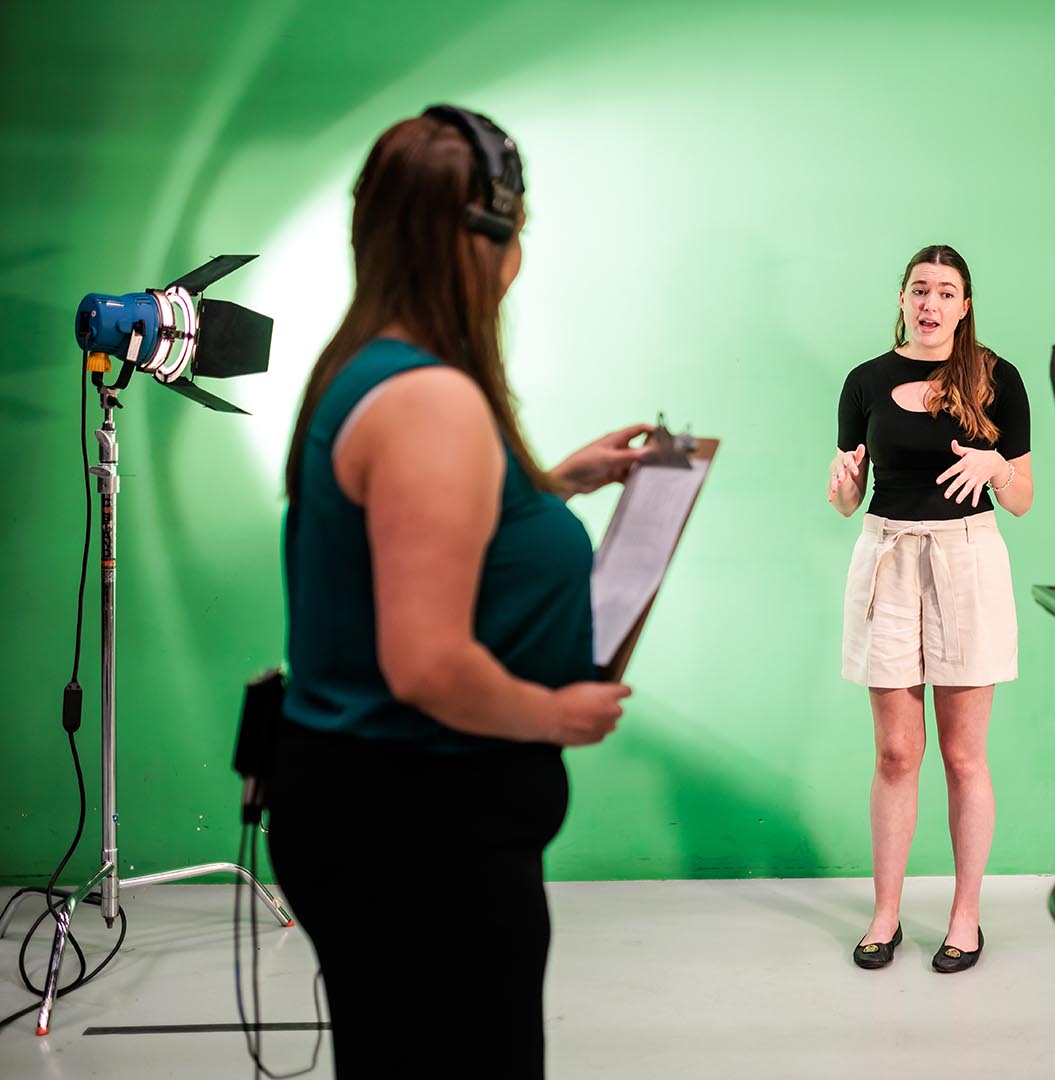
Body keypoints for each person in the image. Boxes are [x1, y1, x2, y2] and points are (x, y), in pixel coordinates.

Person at [270, 106, 653, 1078]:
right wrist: (555, 712)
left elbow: (418, 529)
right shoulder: (432, 401)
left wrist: (555, 483)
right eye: (517, 234)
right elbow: (430, 663)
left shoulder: (366, 368)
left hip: (377, 817)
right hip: (419, 832)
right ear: (485, 244)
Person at [829, 244, 1033, 973]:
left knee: (962, 754)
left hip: (968, 558)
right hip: (887, 554)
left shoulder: (997, 379)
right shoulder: (864, 381)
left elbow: (1023, 500)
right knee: (895, 752)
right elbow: (852, 494)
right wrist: (843, 484)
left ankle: (965, 917)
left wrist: (997, 465)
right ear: (904, 298)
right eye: (921, 289)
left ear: (965, 305)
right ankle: (885, 915)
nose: (932, 303)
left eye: (947, 292)